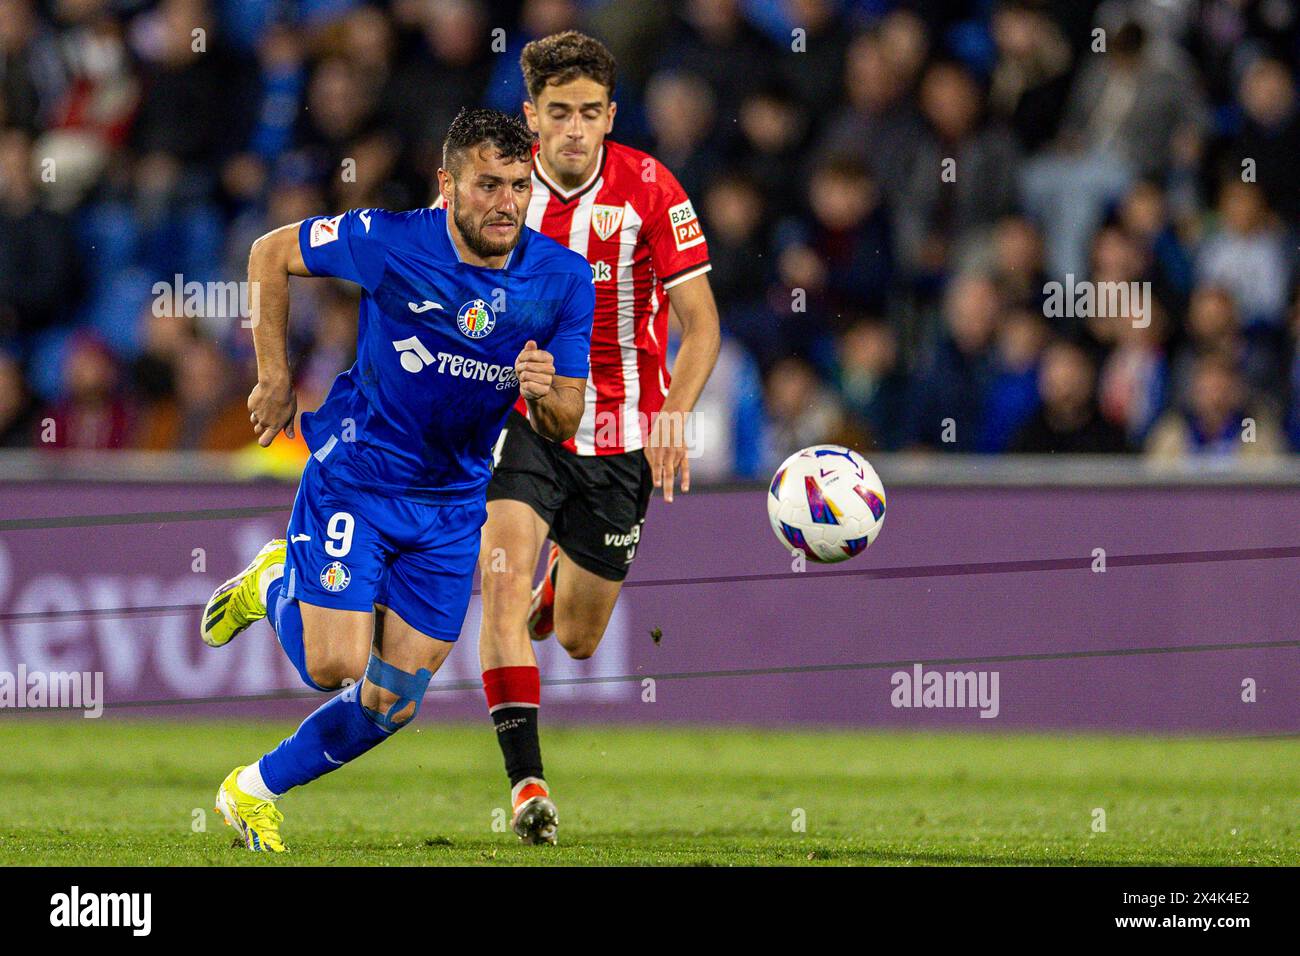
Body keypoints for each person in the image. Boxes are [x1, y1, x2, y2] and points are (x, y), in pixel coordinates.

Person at [197, 108, 594, 852]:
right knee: (334, 664)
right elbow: (269, 253)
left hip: (451, 504)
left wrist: (548, 392)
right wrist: (276, 377)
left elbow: (566, 418)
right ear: (448, 186)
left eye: (518, 186)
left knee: (393, 700)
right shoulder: (389, 240)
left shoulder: (563, 280)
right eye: (488, 185)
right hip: (359, 474)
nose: (506, 202)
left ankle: (251, 790)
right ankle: (273, 582)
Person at [472, 31, 721, 845]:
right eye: (558, 113)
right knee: (500, 590)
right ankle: (528, 788)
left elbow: (702, 325)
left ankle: (560, 587)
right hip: (525, 422)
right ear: (530, 117)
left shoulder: (651, 187)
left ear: (611, 114)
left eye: (590, 113)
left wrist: (675, 411)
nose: (575, 129)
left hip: (620, 435)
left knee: (576, 637)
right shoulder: (498, 191)